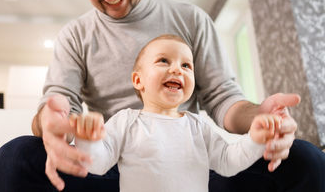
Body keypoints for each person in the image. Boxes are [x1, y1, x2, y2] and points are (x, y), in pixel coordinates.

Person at [0, 0, 325, 191]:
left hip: (193, 173)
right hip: (116, 171)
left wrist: (260, 120)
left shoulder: (192, 20)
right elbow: (60, 106)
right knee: (15, 158)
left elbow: (224, 102)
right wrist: (51, 125)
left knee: (305, 159)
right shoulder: (76, 36)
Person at [70, 34, 283, 192]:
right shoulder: (127, 121)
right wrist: (88, 138)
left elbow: (228, 161)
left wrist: (256, 139)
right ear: (138, 80)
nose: (177, 69)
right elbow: (97, 164)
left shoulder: (198, 125)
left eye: (186, 65)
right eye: (163, 60)